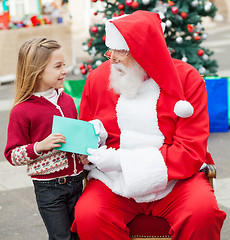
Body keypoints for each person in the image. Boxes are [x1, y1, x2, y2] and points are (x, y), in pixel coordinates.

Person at [71, 11, 226, 240]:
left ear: (144, 53)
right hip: (112, 181)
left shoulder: (187, 79)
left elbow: (190, 151)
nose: (111, 59)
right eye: (110, 51)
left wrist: (123, 160)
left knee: (202, 212)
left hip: (176, 180)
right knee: (89, 215)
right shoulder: (99, 78)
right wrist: (86, 150)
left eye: (119, 53)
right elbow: (85, 131)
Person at [4, 37, 106, 240]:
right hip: (49, 190)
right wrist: (39, 147)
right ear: (38, 71)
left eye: (64, 65)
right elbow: (11, 155)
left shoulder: (67, 100)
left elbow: (74, 140)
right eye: (58, 66)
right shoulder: (22, 111)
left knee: (81, 233)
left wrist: (84, 153)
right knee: (61, 237)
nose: (64, 71)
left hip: (77, 182)